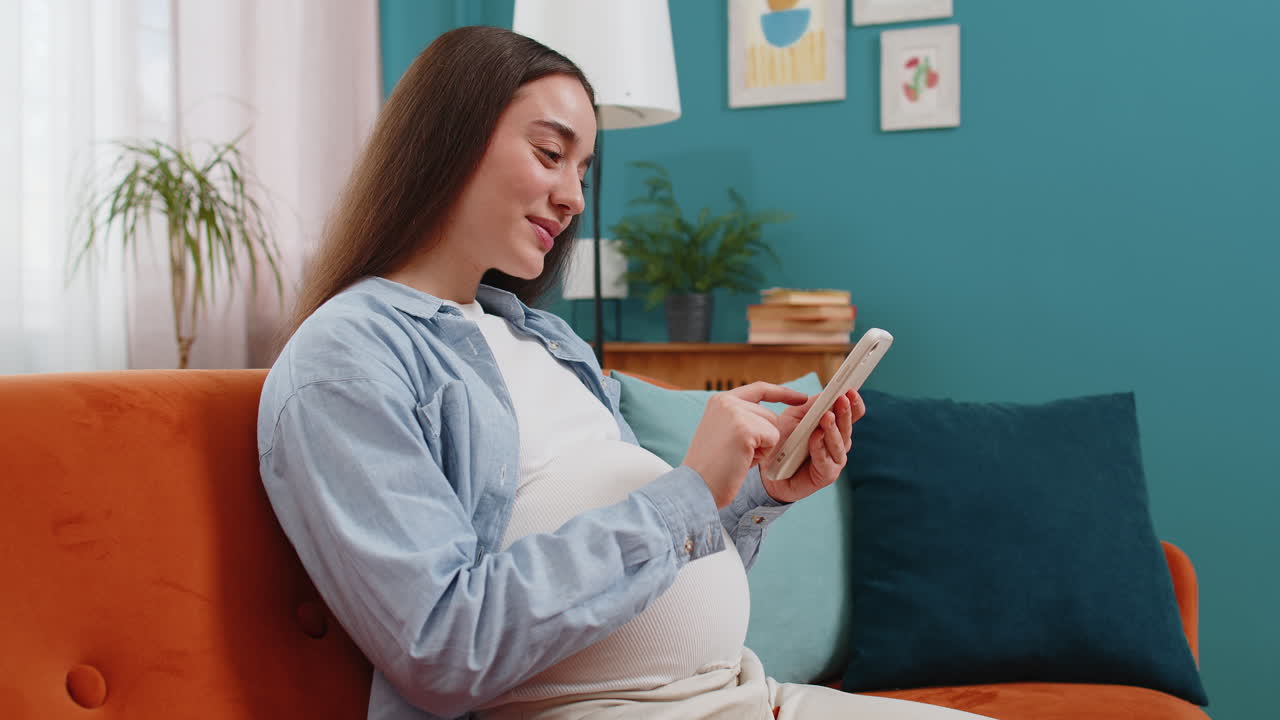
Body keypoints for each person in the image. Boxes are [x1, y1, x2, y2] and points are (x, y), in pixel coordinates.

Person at [258, 25, 991, 720]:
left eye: (582, 170)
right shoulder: (349, 359)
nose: (575, 198)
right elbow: (444, 646)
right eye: (550, 155)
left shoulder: (546, 340)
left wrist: (754, 496)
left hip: (740, 694)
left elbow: (646, 574)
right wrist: (690, 491)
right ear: (444, 141)